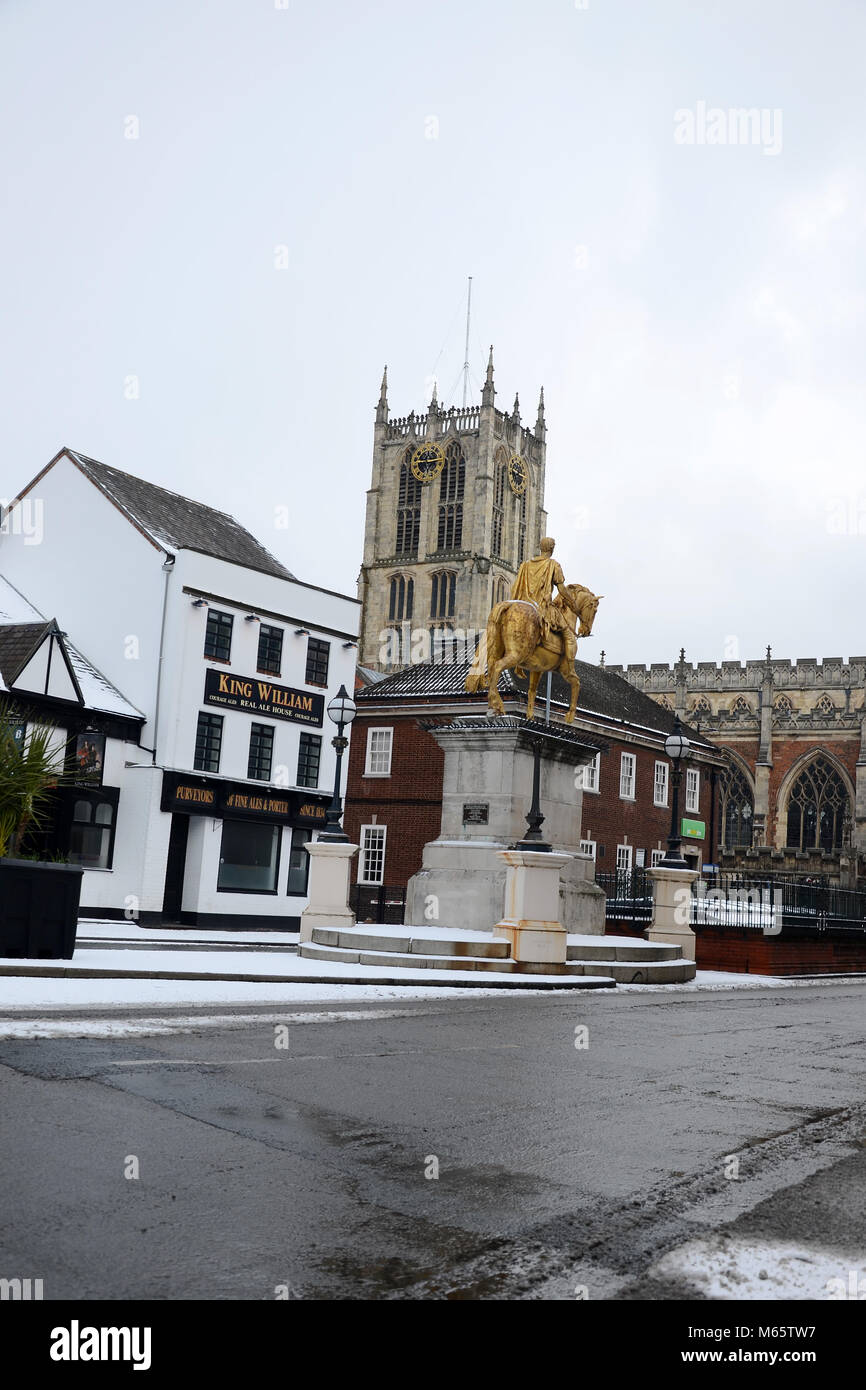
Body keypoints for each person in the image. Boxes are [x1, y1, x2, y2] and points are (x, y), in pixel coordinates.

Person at [510, 536, 568, 644]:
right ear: (552, 548)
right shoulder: (553, 565)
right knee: (568, 633)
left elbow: (515, 588)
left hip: (522, 602)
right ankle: (567, 660)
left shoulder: (525, 565)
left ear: (541, 548)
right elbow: (562, 590)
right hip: (541, 606)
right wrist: (573, 603)